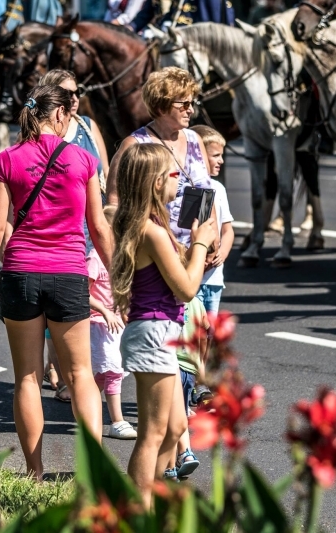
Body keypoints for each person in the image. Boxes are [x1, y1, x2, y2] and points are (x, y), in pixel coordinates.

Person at [0, 85, 114, 479]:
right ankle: (93, 467)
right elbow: (98, 227)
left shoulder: (8, 159)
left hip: (21, 272)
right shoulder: (83, 159)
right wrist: (117, 276)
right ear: (63, 115)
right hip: (69, 273)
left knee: (28, 377)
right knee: (81, 374)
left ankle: (34, 471)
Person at [110, 142, 217, 508]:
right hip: (155, 332)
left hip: (161, 331)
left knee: (173, 428)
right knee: (153, 433)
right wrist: (200, 244)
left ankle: (151, 499)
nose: (180, 182)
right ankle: (136, 510)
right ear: (156, 183)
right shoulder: (152, 231)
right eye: (174, 175)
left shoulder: (156, 226)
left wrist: (191, 246)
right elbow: (186, 289)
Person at [37, 69, 111, 402]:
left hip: (91, 227)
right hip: (61, 234)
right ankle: (65, 372)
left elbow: (105, 175)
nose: (75, 98)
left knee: (91, 308)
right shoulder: (39, 134)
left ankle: (77, 371)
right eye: (67, 94)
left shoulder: (88, 127)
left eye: (77, 91)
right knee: (64, 308)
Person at [108, 67, 215, 248]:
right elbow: (114, 202)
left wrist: (214, 239)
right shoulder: (135, 145)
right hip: (154, 251)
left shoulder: (195, 140)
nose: (191, 111)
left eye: (192, 103)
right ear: (161, 106)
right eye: (184, 104)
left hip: (198, 248)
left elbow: (207, 193)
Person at [89, 205, 137, 439]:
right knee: (113, 371)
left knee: (102, 374)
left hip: (115, 322)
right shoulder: (95, 258)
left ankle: (84, 407)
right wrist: (105, 311)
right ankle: (117, 421)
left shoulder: (119, 257)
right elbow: (82, 293)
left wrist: (125, 309)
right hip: (99, 323)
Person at [189, 125, 234, 314]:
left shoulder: (219, 188)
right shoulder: (191, 188)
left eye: (221, 155)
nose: (221, 161)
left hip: (214, 280)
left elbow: (227, 230)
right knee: (192, 334)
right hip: (194, 277)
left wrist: (222, 252)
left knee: (210, 336)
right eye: (215, 156)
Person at [165, 295, 208, 480]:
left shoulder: (163, 297)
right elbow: (205, 331)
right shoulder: (196, 301)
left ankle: (169, 467)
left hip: (171, 366)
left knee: (168, 417)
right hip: (190, 368)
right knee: (181, 412)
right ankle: (186, 454)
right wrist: (201, 364)